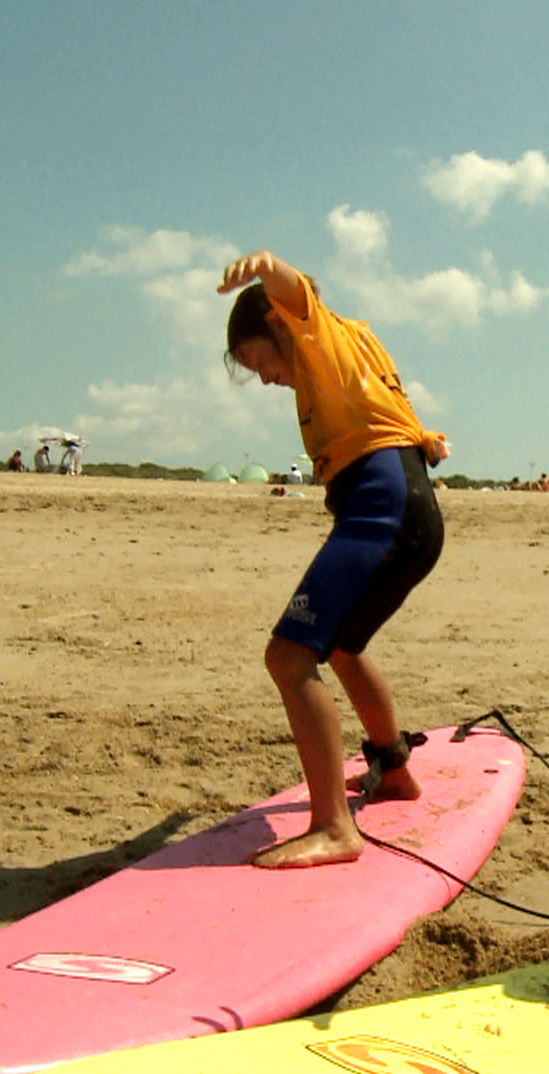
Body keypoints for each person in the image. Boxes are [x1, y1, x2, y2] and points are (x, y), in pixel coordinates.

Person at [218, 250, 450, 868]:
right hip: (405, 503)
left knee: (289, 656)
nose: (264, 378)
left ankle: (334, 828)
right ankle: (392, 765)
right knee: (341, 645)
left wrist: (270, 269)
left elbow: (294, 294)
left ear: (277, 326)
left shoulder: (312, 328)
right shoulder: (352, 341)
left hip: (384, 502)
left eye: (259, 361)